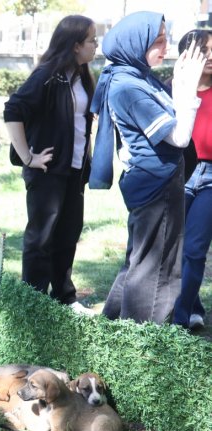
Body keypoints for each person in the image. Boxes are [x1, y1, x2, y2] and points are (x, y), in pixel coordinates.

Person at [89, 12, 206, 324]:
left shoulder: (135, 76)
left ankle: (113, 325)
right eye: (158, 41)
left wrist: (181, 83)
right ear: (134, 44)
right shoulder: (128, 87)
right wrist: (188, 87)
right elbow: (180, 137)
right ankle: (142, 342)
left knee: (139, 261)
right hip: (157, 184)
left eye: (166, 39)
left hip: (154, 180)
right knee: (158, 268)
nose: (165, 48)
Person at [3, 15, 98, 315]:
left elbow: (83, 123)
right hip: (47, 172)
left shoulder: (82, 76)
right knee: (41, 238)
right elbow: (13, 110)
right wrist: (28, 157)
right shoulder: (47, 75)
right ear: (75, 45)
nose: (97, 45)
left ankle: (64, 297)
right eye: (93, 40)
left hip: (74, 171)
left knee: (68, 233)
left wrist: (88, 158)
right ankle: (33, 302)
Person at [173, 29, 212, 330]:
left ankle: (180, 317)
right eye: (205, 50)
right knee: (173, 247)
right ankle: (192, 303)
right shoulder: (172, 90)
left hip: (210, 177)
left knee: (195, 249)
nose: (211, 57)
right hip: (178, 174)